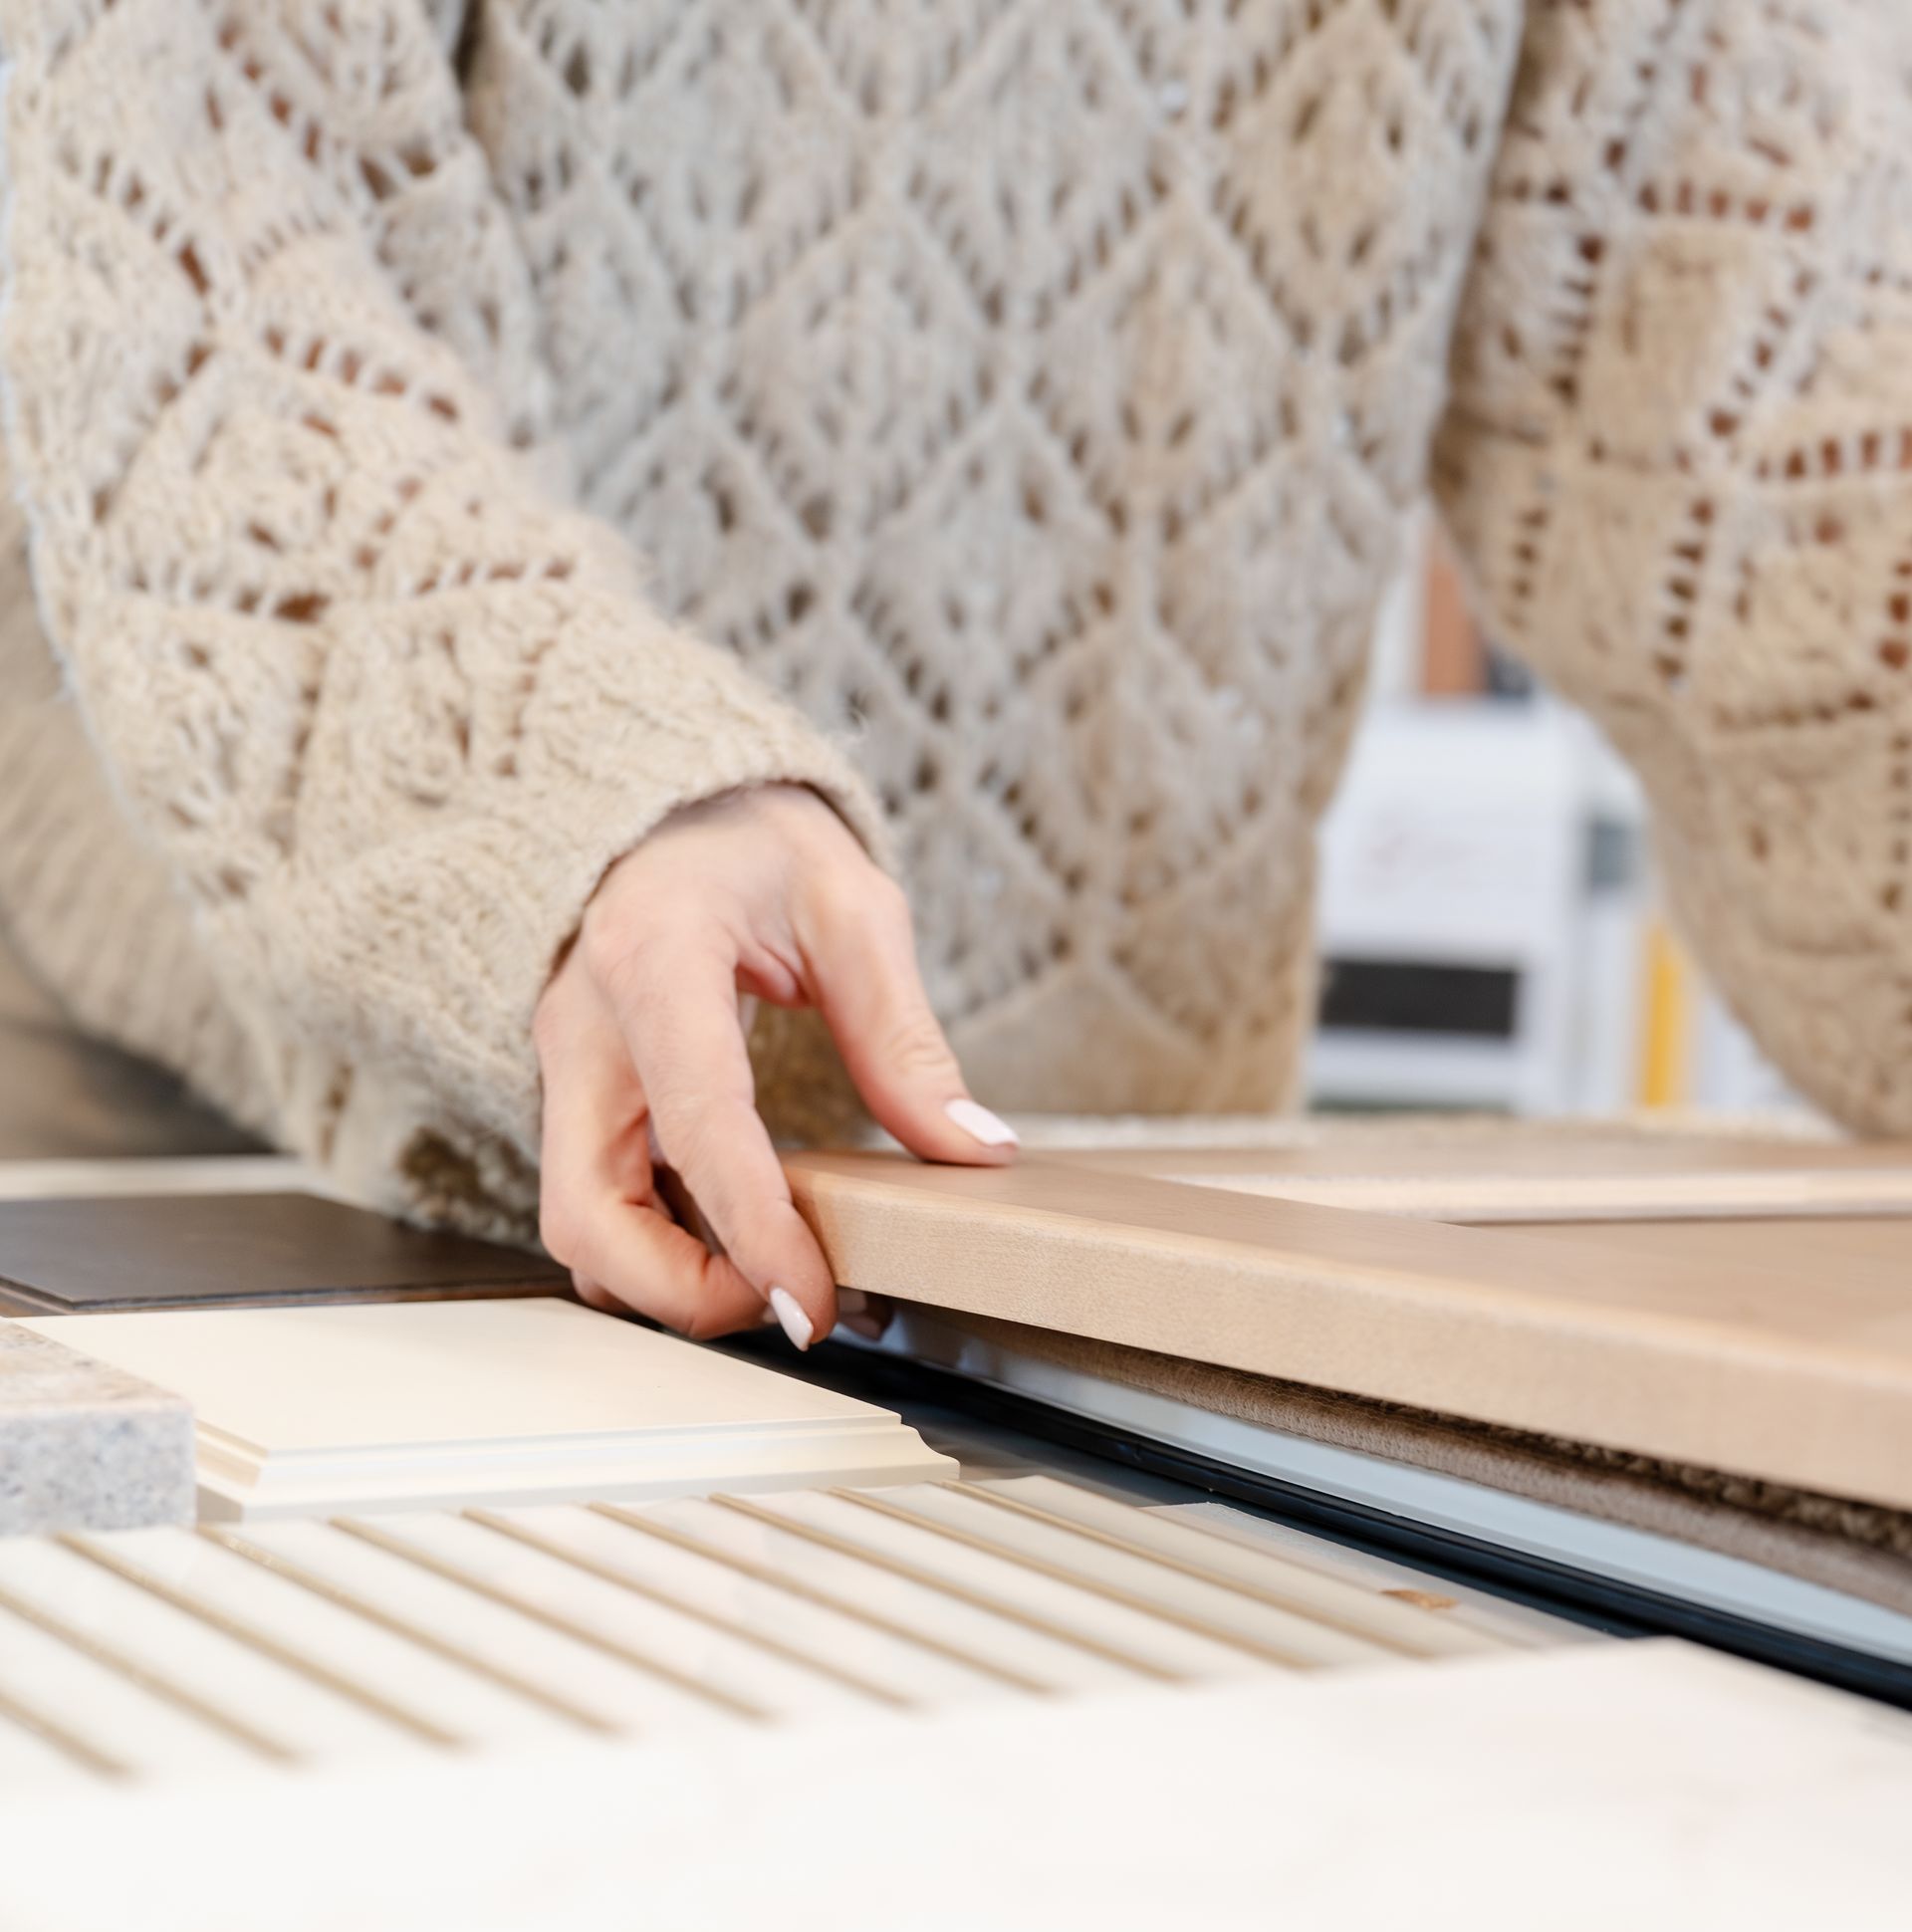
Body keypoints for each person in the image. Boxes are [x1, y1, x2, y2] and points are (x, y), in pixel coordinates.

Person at [0, 0, 1906, 1348]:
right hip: (247, 1167)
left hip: (1080, 1253)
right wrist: (589, 802)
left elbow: (1784, 498)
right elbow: (215, 319)